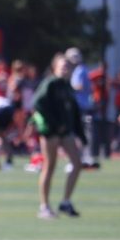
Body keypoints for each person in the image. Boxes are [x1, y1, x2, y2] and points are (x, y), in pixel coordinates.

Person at [31, 53, 85, 219]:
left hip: (65, 132)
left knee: (77, 163)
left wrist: (80, 134)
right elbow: (37, 103)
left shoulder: (66, 86)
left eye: (68, 67)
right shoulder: (51, 83)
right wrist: (54, 123)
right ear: (54, 67)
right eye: (62, 66)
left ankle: (66, 201)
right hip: (51, 131)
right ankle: (44, 206)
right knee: (50, 166)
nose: (65, 69)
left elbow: (74, 111)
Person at [65, 47, 98, 168]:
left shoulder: (79, 70)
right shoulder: (82, 69)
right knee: (82, 133)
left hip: (80, 107)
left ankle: (77, 159)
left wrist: (67, 88)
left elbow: (79, 86)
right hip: (83, 106)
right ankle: (83, 157)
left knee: (77, 134)